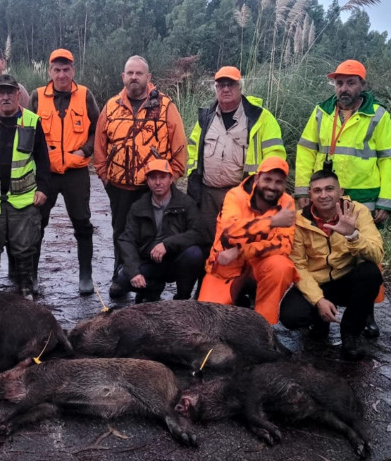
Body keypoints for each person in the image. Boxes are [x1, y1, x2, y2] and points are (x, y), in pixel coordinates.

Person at [295, 59, 391, 337]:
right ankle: (321, 306)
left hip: (364, 195)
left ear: (362, 85)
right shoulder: (321, 112)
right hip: (325, 195)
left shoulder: (378, 115)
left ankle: (366, 314)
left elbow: (387, 159)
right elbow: (305, 151)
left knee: (366, 256)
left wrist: (386, 200)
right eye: (339, 83)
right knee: (325, 251)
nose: (344, 88)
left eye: (350, 82)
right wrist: (303, 191)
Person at [93, 55, 188, 298]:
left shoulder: (165, 106)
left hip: (152, 187)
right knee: (121, 232)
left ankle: (151, 279)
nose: (134, 77)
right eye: (130, 73)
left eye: (139, 73)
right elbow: (100, 146)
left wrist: (169, 181)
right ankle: (120, 273)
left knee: (152, 232)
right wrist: (105, 176)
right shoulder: (111, 106)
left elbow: (179, 148)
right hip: (119, 186)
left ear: (148, 78)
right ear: (123, 77)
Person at [280, 170, 383, 360]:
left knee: (370, 272)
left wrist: (352, 235)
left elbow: (377, 253)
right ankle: (320, 320)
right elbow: (299, 266)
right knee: (291, 316)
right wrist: (318, 300)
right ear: (310, 194)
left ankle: (351, 333)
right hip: (317, 281)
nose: (324, 195)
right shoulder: (299, 220)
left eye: (329, 189)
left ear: (340, 191)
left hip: (347, 279)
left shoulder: (357, 211)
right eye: (317, 190)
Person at [0, 74, 51, 298]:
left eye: (10, 92)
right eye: (1, 92)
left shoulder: (32, 121)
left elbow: (43, 159)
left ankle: (24, 288)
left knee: (24, 247)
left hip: (24, 198)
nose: (5, 96)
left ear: (18, 95)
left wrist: (43, 188)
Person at [28, 48, 100, 296]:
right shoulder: (37, 97)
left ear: (73, 70)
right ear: (50, 71)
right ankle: (32, 275)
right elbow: (27, 133)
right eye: (57, 69)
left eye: (66, 69)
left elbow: (98, 128)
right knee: (37, 222)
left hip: (75, 171)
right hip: (45, 174)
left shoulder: (85, 95)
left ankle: (85, 276)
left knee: (82, 222)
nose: (61, 74)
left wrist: (85, 151)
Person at [186, 66, 286, 243]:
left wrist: (261, 188)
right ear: (215, 88)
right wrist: (192, 177)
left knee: (240, 241)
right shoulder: (205, 117)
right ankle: (211, 270)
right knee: (207, 242)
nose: (225, 89)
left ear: (241, 87)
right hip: (208, 194)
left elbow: (275, 156)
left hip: (243, 194)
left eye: (231, 84)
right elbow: (192, 150)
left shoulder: (260, 117)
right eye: (221, 85)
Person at [198, 157, 297, 325]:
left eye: (279, 182)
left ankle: (264, 326)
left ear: (284, 184)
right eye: (268, 179)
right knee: (207, 321)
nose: (272, 186)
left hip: (258, 266)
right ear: (257, 178)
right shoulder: (235, 196)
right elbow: (230, 233)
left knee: (281, 266)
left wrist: (240, 251)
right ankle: (237, 300)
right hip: (226, 267)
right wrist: (272, 222)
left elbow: (283, 245)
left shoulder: (287, 202)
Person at [115, 159, 205, 302]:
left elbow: (198, 233)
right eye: (153, 178)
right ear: (147, 181)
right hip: (150, 262)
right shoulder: (138, 207)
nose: (158, 182)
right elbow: (127, 240)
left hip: (176, 260)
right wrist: (134, 272)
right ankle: (152, 290)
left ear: (171, 179)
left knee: (194, 254)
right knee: (123, 279)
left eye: (162, 177)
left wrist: (167, 244)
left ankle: (182, 298)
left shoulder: (186, 203)